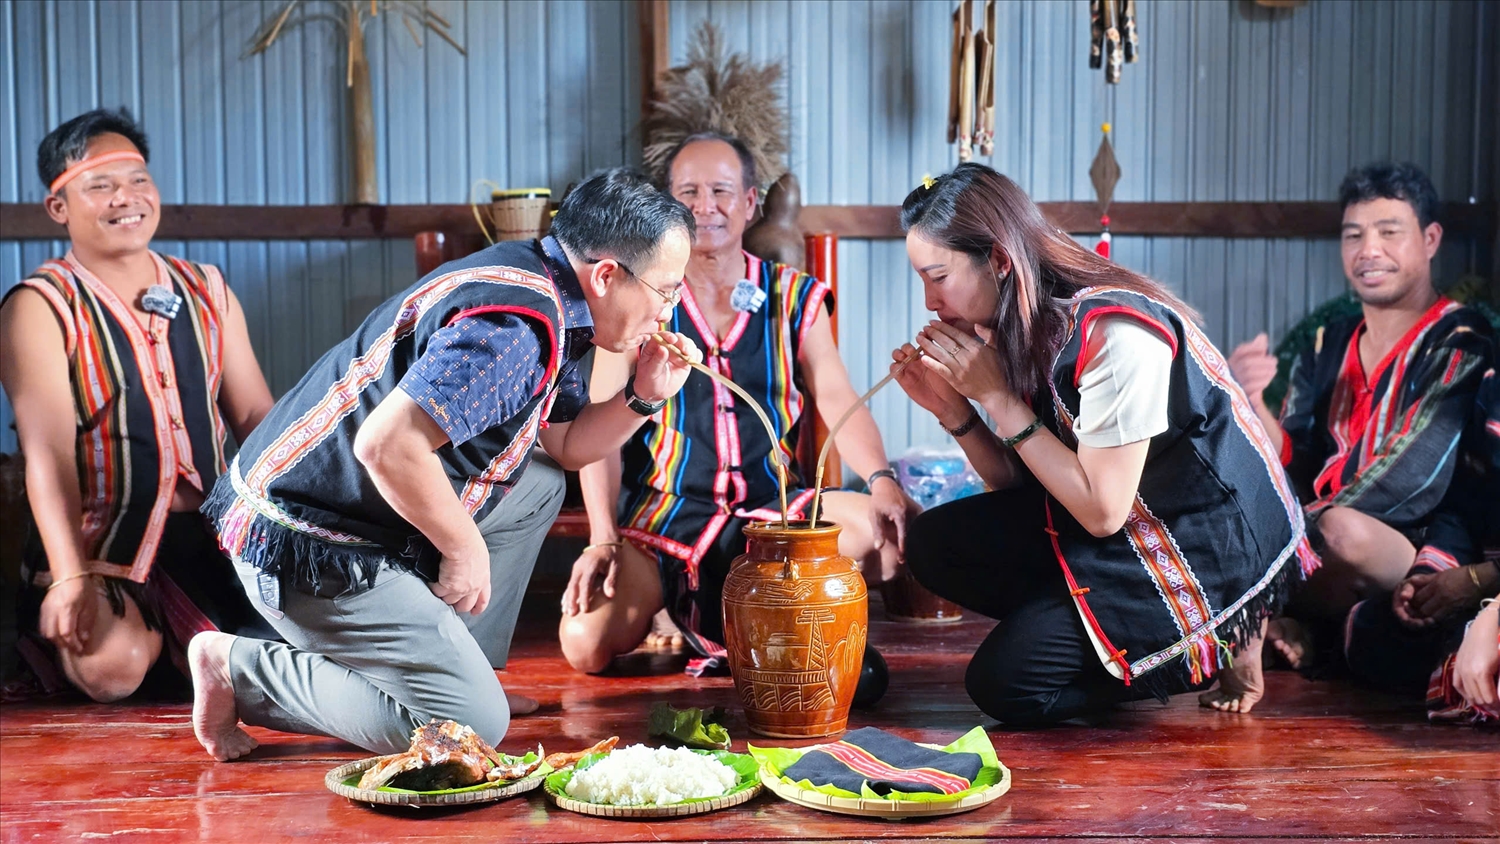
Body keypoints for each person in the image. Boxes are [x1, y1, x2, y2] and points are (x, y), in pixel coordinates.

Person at [189, 168, 702, 760]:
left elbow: (563, 447)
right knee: (473, 730)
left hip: (343, 509)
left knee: (535, 483)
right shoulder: (515, 333)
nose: (668, 311)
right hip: (310, 546)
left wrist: (645, 395)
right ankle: (239, 671)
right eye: (666, 291)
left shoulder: (552, 284)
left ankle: (456, 672)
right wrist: (464, 549)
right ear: (607, 275)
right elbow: (387, 446)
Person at [893, 164, 1315, 724]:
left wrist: (997, 397)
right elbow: (1020, 487)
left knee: (1005, 687)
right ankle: (1097, 631)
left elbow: (1101, 514)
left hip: (1203, 545)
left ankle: (1209, 646)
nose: (928, 301)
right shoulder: (1018, 319)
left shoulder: (1113, 334)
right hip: (1127, 521)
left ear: (998, 260)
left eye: (938, 276)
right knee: (930, 544)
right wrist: (956, 411)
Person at [556, 134, 919, 675]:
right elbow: (599, 427)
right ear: (668, 206)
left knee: (884, 542)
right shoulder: (640, 298)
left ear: (750, 202)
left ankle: (734, 619)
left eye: (721, 191)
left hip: (777, 511)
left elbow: (838, 396)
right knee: (583, 644)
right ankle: (741, 620)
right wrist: (603, 538)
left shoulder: (795, 296)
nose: (705, 207)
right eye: (689, 193)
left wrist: (883, 479)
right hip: (667, 516)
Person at [0, 108, 275, 703]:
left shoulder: (206, 288)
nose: (126, 198)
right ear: (59, 207)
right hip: (103, 546)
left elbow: (256, 416)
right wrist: (70, 573)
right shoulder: (40, 305)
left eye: (138, 180)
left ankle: (193, 645)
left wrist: (297, 527)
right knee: (113, 667)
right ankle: (158, 643)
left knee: (330, 618)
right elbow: (45, 451)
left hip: (213, 534)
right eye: (100, 185)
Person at [1227, 162, 1494, 666]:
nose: (1368, 250)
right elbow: (1297, 463)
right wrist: (1254, 404)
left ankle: (1279, 616)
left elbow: (1415, 478)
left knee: (1340, 532)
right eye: (1354, 235)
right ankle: (1298, 621)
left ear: (1430, 239)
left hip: (1406, 542)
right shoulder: (1326, 344)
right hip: (1312, 536)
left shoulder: (1461, 341)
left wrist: (1274, 532)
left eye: (1389, 232)